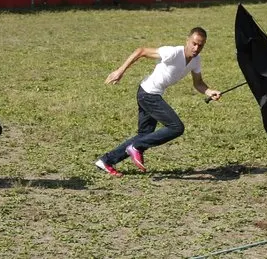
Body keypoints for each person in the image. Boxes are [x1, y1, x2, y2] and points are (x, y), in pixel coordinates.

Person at [95, 27, 222, 177]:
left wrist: (209, 91)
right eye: (194, 43)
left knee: (145, 134)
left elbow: (198, 83)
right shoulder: (173, 52)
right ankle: (135, 147)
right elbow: (141, 51)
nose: (196, 48)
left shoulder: (196, 61)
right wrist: (120, 71)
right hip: (148, 94)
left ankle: (106, 161)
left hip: (147, 93)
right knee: (176, 127)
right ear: (187, 40)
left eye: (200, 45)